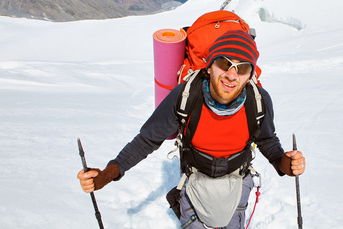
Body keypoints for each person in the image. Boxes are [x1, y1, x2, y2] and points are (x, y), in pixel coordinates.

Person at [77, 28, 306, 228]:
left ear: (250, 76)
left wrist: (284, 163)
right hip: (194, 177)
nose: (231, 74)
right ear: (210, 66)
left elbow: (266, 140)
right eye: (224, 63)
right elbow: (147, 140)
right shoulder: (186, 96)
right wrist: (108, 174)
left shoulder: (258, 100)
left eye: (242, 68)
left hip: (237, 179)